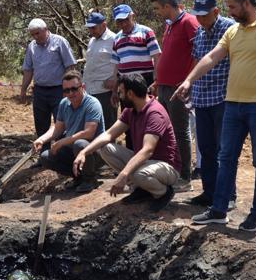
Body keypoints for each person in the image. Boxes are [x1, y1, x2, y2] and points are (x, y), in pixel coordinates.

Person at [173, 0, 256, 232]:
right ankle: (219, 210)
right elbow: (211, 57)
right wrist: (189, 80)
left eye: (234, 7)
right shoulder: (234, 32)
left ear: (247, 3)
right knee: (225, 158)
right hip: (233, 105)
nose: (231, 12)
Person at [74, 73, 180, 212]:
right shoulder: (131, 110)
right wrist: (84, 152)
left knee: (138, 174)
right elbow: (109, 134)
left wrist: (123, 175)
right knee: (105, 148)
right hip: (146, 163)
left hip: (167, 168)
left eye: (121, 92)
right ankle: (142, 189)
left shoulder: (155, 113)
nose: (119, 95)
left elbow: (147, 150)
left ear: (130, 94)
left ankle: (162, 193)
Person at [185, 0, 236, 208]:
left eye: (204, 16)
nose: (200, 20)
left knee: (224, 150)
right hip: (201, 98)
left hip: (223, 98)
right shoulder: (198, 32)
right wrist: (190, 84)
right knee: (206, 148)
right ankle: (209, 192)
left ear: (216, 11)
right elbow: (198, 60)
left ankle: (228, 195)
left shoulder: (231, 29)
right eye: (197, 15)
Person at [150, 0, 200, 187]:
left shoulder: (189, 21)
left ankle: (185, 176)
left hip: (178, 88)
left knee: (180, 131)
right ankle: (171, 169)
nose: (157, 12)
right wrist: (158, 80)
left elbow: (201, 51)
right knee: (167, 130)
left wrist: (189, 79)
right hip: (164, 87)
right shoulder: (170, 25)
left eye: (158, 8)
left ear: (167, 6)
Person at [33, 71, 105, 193]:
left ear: (83, 87)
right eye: (66, 90)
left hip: (94, 151)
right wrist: (41, 139)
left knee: (80, 144)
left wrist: (62, 142)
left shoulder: (93, 103)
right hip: (73, 150)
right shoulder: (64, 103)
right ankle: (78, 177)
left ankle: (89, 179)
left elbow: (89, 133)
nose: (70, 93)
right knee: (46, 157)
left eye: (74, 89)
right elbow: (58, 128)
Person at [110, 4, 161, 149]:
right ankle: (130, 157)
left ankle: (150, 156)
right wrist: (115, 90)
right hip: (125, 84)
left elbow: (157, 57)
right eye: (120, 21)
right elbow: (116, 66)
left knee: (148, 118)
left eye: (126, 19)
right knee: (129, 121)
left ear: (132, 16)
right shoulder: (117, 38)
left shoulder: (146, 32)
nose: (123, 24)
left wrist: (157, 81)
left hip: (145, 82)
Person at [20, 18, 78, 140]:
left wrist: (68, 90)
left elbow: (70, 66)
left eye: (37, 33)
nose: (35, 36)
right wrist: (23, 89)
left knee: (61, 123)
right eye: (33, 34)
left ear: (46, 29)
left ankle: (62, 155)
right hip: (39, 91)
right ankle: (44, 155)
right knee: (41, 126)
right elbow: (28, 70)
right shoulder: (32, 47)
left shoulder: (60, 42)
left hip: (59, 90)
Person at [83, 10, 118, 128]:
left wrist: (115, 82)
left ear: (104, 25)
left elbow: (120, 62)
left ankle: (110, 146)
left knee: (108, 125)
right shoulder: (92, 41)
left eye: (94, 28)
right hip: (90, 90)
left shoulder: (114, 38)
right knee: (92, 124)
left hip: (105, 91)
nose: (91, 31)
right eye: (89, 28)